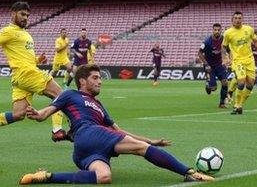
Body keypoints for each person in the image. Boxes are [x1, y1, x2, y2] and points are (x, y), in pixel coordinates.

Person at [19, 64, 214, 184]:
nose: (100, 82)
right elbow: (46, 113)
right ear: (82, 81)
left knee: (104, 177)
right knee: (140, 149)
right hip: (88, 133)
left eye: (100, 78)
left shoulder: (99, 106)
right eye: (95, 78)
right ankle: (189, 172)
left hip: (85, 151)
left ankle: (47, 177)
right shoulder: (70, 94)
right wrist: (36, 114)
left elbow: (118, 131)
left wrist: (150, 141)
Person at [0, 1, 67, 144]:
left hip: (20, 77)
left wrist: (37, 59)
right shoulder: (8, 31)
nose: (25, 18)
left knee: (18, 114)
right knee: (63, 96)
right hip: (27, 74)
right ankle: (57, 130)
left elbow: (22, 57)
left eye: (27, 15)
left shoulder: (25, 34)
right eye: (22, 14)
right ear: (13, 14)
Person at [221, 12, 257, 115]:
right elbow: (223, 46)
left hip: (250, 60)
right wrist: (225, 58)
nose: (237, 20)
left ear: (242, 19)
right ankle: (236, 105)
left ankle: (240, 105)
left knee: (250, 85)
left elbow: (255, 41)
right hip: (238, 61)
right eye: (236, 18)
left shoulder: (249, 29)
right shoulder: (228, 33)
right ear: (232, 20)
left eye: (239, 18)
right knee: (241, 82)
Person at [198, 23, 228, 108]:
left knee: (225, 82)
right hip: (209, 66)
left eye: (218, 30)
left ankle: (222, 103)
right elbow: (199, 53)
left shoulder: (223, 39)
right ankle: (208, 84)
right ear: (213, 30)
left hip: (219, 65)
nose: (217, 31)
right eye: (215, 30)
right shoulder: (207, 41)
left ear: (221, 30)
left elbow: (228, 49)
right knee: (213, 88)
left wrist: (228, 59)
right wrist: (206, 64)